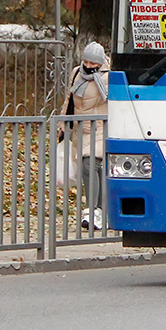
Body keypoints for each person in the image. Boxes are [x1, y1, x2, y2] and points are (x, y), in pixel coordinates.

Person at [58, 41, 109, 230]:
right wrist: (64, 125)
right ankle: (100, 210)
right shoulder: (76, 73)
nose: (88, 67)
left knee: (91, 166)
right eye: (85, 62)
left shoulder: (107, 78)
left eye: (92, 63)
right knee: (92, 169)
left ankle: (93, 210)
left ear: (100, 62)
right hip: (81, 130)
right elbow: (69, 101)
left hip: (100, 128)